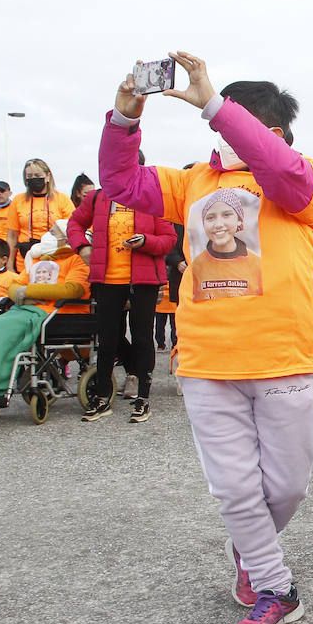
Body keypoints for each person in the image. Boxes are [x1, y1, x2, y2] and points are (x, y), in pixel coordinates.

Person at [98, 50, 313, 624]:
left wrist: (213, 105)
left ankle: (249, 544)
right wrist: (124, 121)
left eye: (234, 118)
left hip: (283, 357)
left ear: (270, 131)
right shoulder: (191, 182)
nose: (222, 129)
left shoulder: (300, 179)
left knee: (285, 487)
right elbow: (121, 183)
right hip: (207, 361)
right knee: (234, 488)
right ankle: (276, 585)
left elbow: (282, 171)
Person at [68, 151, 176, 424]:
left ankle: (143, 397)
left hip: (143, 280)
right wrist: (82, 246)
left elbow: (168, 238)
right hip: (107, 279)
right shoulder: (97, 198)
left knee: (142, 338)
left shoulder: (152, 199)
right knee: (107, 340)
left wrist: (146, 241)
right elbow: (74, 223)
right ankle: (102, 396)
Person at [5, 159, 74, 273]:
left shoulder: (62, 200)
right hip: (25, 258)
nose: (33, 179)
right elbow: (12, 236)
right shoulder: (18, 200)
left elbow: (70, 231)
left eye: (37, 175)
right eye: (29, 176)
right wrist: (10, 266)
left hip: (54, 256)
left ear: (47, 176)